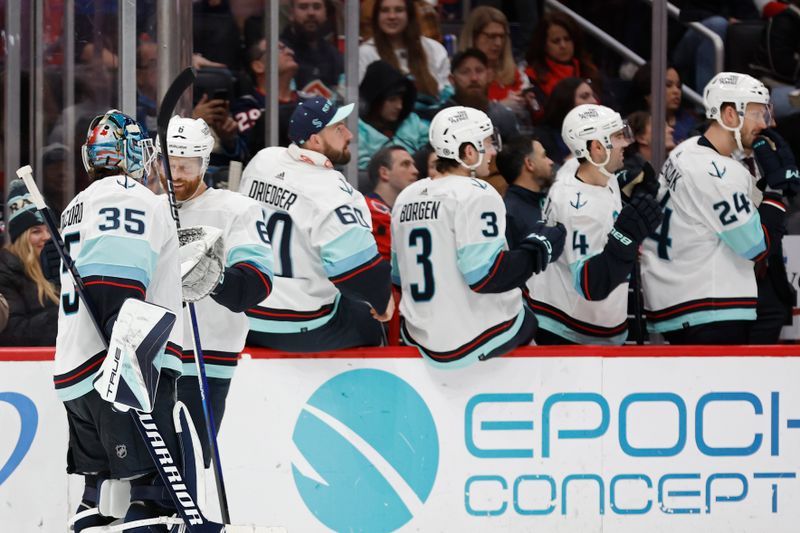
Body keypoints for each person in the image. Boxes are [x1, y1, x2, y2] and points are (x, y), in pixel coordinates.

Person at [56, 110, 185, 531]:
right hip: (122, 371)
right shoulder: (130, 196)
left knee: (98, 500)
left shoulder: (76, 205)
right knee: (150, 504)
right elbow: (115, 281)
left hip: (77, 374)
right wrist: (128, 368)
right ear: (128, 152)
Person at [391, 106, 566, 366]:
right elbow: (486, 277)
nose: (494, 151)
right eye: (487, 142)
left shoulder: (407, 196)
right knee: (530, 318)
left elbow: (398, 276)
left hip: (420, 336)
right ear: (468, 151)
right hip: (475, 337)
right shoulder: (477, 193)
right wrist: (538, 249)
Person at [157, 116, 274, 466]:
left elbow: (255, 285)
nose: (176, 174)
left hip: (206, 358)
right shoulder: (152, 209)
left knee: (190, 468)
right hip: (153, 358)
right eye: (170, 163)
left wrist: (214, 280)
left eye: (187, 165)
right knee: (152, 471)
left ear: (205, 163)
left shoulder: (236, 209)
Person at [640, 72, 789, 344]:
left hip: (682, 297)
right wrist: (776, 193)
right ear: (730, 115)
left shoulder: (686, 150)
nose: (769, 123)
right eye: (758, 114)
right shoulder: (718, 171)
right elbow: (756, 246)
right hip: (709, 306)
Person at [240, 97, 393, 351]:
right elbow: (359, 271)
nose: (350, 135)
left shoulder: (262, 161)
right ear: (315, 140)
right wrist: (381, 300)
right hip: (301, 324)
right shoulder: (333, 190)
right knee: (369, 318)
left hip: (246, 313)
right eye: (338, 128)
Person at [529, 104, 662, 345]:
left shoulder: (588, 170)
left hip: (596, 325)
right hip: (570, 333)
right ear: (596, 147)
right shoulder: (577, 209)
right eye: (617, 136)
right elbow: (590, 284)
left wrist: (626, 186)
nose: (625, 143)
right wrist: (625, 238)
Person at [0, 179, 59, 346]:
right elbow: (12, 332)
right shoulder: (5, 272)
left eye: (49, 229)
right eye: (36, 231)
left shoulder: (60, 265)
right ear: (21, 237)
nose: (46, 236)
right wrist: (63, 315)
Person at [359, 0, 450, 104]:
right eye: (385, 10)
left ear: (409, 14)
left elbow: (444, 96)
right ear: (376, 16)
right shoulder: (365, 53)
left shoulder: (434, 49)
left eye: (399, 10)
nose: (392, 16)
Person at [459, 6, 532, 120]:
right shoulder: (458, 74)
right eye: (491, 36)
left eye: (502, 37)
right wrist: (500, 107)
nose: (498, 43)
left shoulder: (516, 74)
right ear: (474, 37)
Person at [232, 38, 301, 153]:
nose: (290, 52)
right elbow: (249, 152)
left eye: (287, 48)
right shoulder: (247, 105)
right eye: (279, 49)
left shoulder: (309, 100)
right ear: (258, 66)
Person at [358, 60, 429, 169]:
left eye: (402, 99)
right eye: (392, 100)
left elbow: (432, 147)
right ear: (376, 101)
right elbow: (363, 169)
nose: (399, 106)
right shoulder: (358, 130)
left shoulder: (412, 121)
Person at [441, 49, 520, 144]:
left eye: (479, 71)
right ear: (452, 79)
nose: (474, 78)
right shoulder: (442, 118)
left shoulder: (504, 116)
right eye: (465, 72)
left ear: (489, 75)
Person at [524, 12, 601, 100]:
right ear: (543, 45)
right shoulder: (532, 77)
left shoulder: (590, 70)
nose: (563, 45)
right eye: (556, 41)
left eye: (567, 39)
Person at [496, 135, 555, 249]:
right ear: (529, 163)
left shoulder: (550, 200)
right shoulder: (508, 214)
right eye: (544, 156)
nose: (551, 162)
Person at [533, 76, 597, 166]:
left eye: (593, 96)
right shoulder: (543, 137)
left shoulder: (597, 130)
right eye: (585, 96)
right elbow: (553, 172)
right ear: (566, 101)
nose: (594, 101)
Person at [630, 63, 697, 144]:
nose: (676, 91)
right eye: (668, 85)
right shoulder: (634, 126)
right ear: (647, 92)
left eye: (678, 86)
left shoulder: (690, 123)